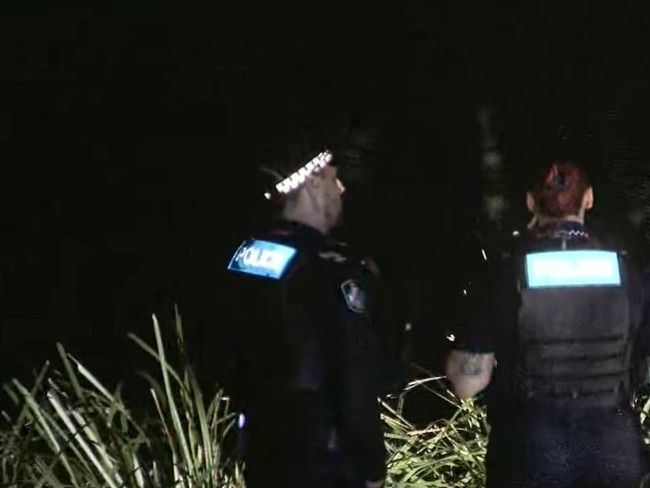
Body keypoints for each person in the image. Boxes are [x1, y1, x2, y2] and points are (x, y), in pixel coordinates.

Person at [445, 161, 650, 488]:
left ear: (529, 202)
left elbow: (468, 384)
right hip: (614, 450)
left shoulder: (506, 273)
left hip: (531, 452)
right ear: (589, 199)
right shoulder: (629, 272)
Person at [224, 148, 387, 488]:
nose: (340, 189)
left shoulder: (247, 255)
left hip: (263, 453)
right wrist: (372, 465)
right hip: (325, 463)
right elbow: (355, 373)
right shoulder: (332, 268)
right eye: (332, 178)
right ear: (311, 183)